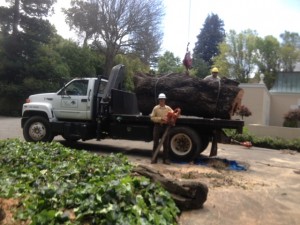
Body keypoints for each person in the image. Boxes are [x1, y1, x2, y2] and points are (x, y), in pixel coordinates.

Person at [150, 93, 173, 164]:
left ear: (165, 100)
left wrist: (173, 117)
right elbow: (152, 117)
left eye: (163, 100)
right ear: (159, 100)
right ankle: (154, 159)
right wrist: (160, 119)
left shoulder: (168, 108)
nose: (162, 101)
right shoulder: (156, 108)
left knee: (166, 144)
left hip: (165, 127)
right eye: (160, 100)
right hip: (157, 126)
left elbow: (173, 114)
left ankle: (165, 159)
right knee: (155, 143)